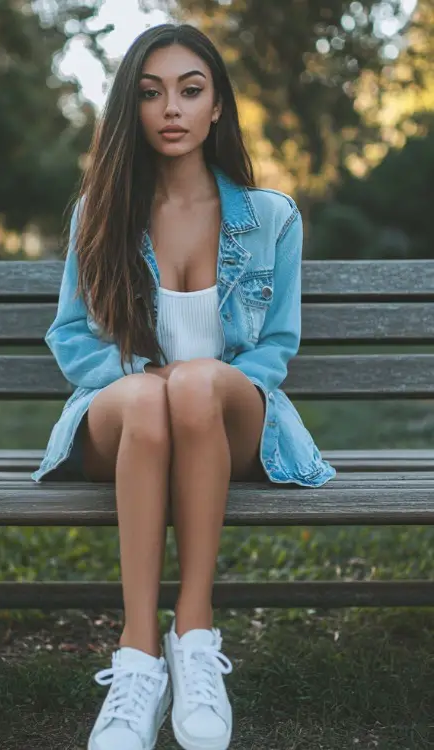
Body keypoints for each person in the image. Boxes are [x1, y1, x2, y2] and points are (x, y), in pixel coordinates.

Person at [31, 22, 336, 750]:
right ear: (130, 110)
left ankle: (192, 635)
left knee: (197, 386)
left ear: (216, 107)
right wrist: (142, 378)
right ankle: (139, 656)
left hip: (226, 423)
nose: (171, 108)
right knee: (148, 396)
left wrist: (198, 378)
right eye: (151, 93)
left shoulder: (271, 218)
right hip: (127, 425)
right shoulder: (98, 215)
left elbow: (276, 346)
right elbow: (72, 336)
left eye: (190, 91)